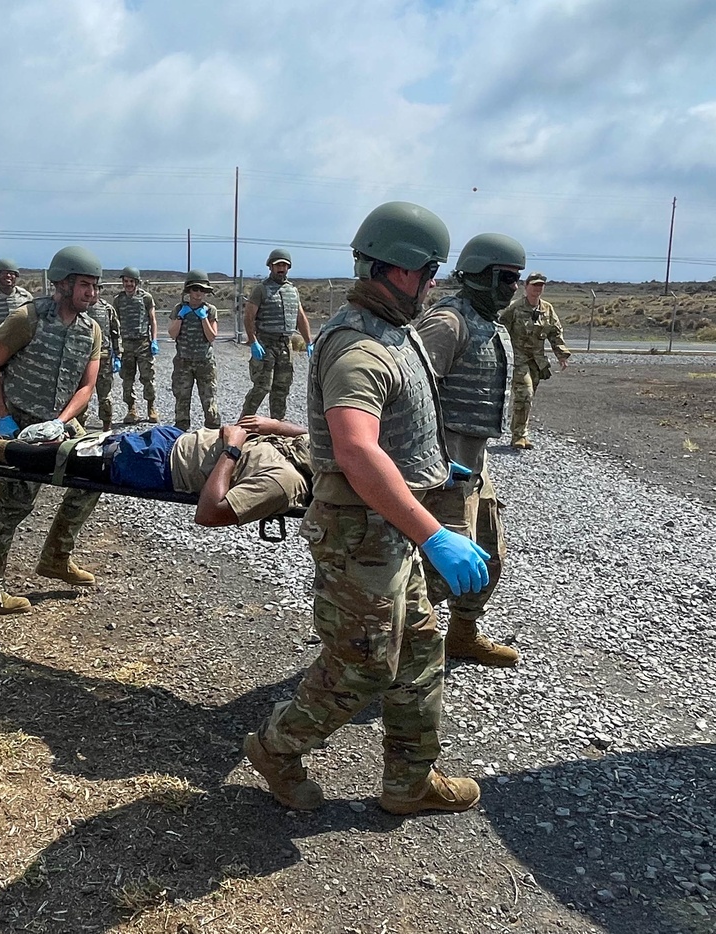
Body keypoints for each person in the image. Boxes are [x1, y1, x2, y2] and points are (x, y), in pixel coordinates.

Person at [244, 202, 491, 816]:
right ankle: (276, 748)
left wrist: (433, 464)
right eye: (430, 270)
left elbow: (395, 427)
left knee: (420, 650)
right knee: (362, 666)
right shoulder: (358, 344)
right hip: (361, 533)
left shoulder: (396, 330)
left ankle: (409, 782)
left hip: (389, 525)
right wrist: (435, 534)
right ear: (400, 270)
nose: (435, 282)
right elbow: (355, 448)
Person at [0, 403, 311, 528]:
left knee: (57, 459)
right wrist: (277, 426)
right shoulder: (312, 450)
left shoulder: (283, 480)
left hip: (152, 465)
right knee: (69, 448)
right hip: (167, 439)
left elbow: (210, 513)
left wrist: (230, 450)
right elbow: (309, 435)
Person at [0, 246, 103, 614]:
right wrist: (3, 417)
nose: (91, 294)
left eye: (95, 287)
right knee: (14, 504)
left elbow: (86, 386)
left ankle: (56, 557)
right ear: (61, 284)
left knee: (95, 474)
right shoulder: (26, 318)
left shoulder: (90, 331)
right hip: (20, 423)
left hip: (61, 422)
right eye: (84, 286)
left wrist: (62, 422)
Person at [415, 233, 525, 667]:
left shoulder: (491, 324)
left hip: (473, 464)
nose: (514, 287)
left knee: (487, 556)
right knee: (434, 569)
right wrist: (433, 461)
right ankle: (391, 652)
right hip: (442, 465)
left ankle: (462, 634)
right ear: (482, 275)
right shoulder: (448, 322)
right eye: (507, 278)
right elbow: (411, 395)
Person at [240, 248, 314, 421]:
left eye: (284, 265)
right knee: (261, 387)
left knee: (282, 388)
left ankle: (277, 424)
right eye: (278, 265)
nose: (281, 268)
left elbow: (300, 316)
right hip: (266, 344)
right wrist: (253, 342)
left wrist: (308, 341)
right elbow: (249, 316)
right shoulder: (261, 289)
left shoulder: (292, 291)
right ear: (270, 267)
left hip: (285, 346)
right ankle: (244, 423)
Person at [500, 272, 571, 449]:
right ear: (526, 287)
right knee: (525, 394)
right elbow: (500, 331)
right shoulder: (514, 309)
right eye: (534, 285)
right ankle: (518, 436)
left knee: (527, 399)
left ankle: (522, 434)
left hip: (537, 361)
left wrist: (561, 355)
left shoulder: (547, 309)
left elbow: (555, 332)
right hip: (518, 359)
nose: (537, 289)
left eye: (541, 285)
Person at [168, 269, 220, 431]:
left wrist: (203, 317)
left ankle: (212, 433)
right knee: (182, 399)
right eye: (195, 289)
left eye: (202, 290)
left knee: (208, 399)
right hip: (183, 362)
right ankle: (180, 433)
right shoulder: (179, 309)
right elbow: (172, 334)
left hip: (204, 362)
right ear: (189, 290)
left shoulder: (210, 310)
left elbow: (212, 336)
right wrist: (181, 317)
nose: (198, 293)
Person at [114, 265, 159, 424]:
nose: (128, 284)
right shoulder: (118, 300)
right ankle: (131, 409)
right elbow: (115, 324)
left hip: (143, 343)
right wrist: (115, 348)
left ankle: (151, 407)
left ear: (136, 282)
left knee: (147, 377)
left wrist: (154, 340)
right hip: (125, 345)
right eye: (125, 281)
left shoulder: (145, 298)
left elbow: (152, 320)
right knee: (127, 379)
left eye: (131, 281)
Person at [85, 292, 123, 430]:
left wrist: (118, 354)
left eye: (96, 288)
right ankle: (80, 426)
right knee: (81, 393)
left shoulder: (107, 308)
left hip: (104, 358)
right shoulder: (80, 307)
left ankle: (107, 425)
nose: (93, 292)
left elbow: (115, 332)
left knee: (105, 395)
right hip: (83, 358)